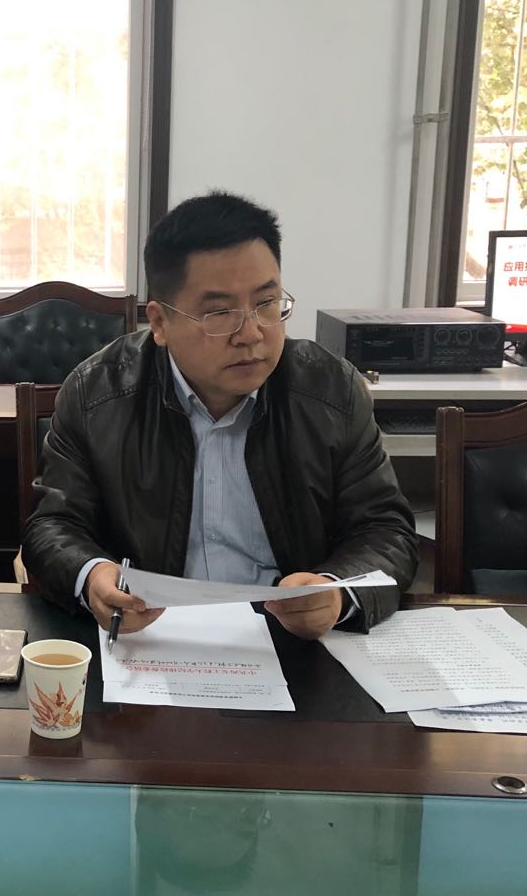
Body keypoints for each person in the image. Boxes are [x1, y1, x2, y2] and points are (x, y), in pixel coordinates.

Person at [21, 191, 417, 638]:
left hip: (290, 636)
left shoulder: (331, 389)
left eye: (266, 303)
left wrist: (334, 593)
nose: (251, 333)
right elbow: (53, 525)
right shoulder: (97, 392)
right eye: (219, 313)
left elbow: (386, 530)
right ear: (160, 323)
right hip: (152, 633)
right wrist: (93, 574)